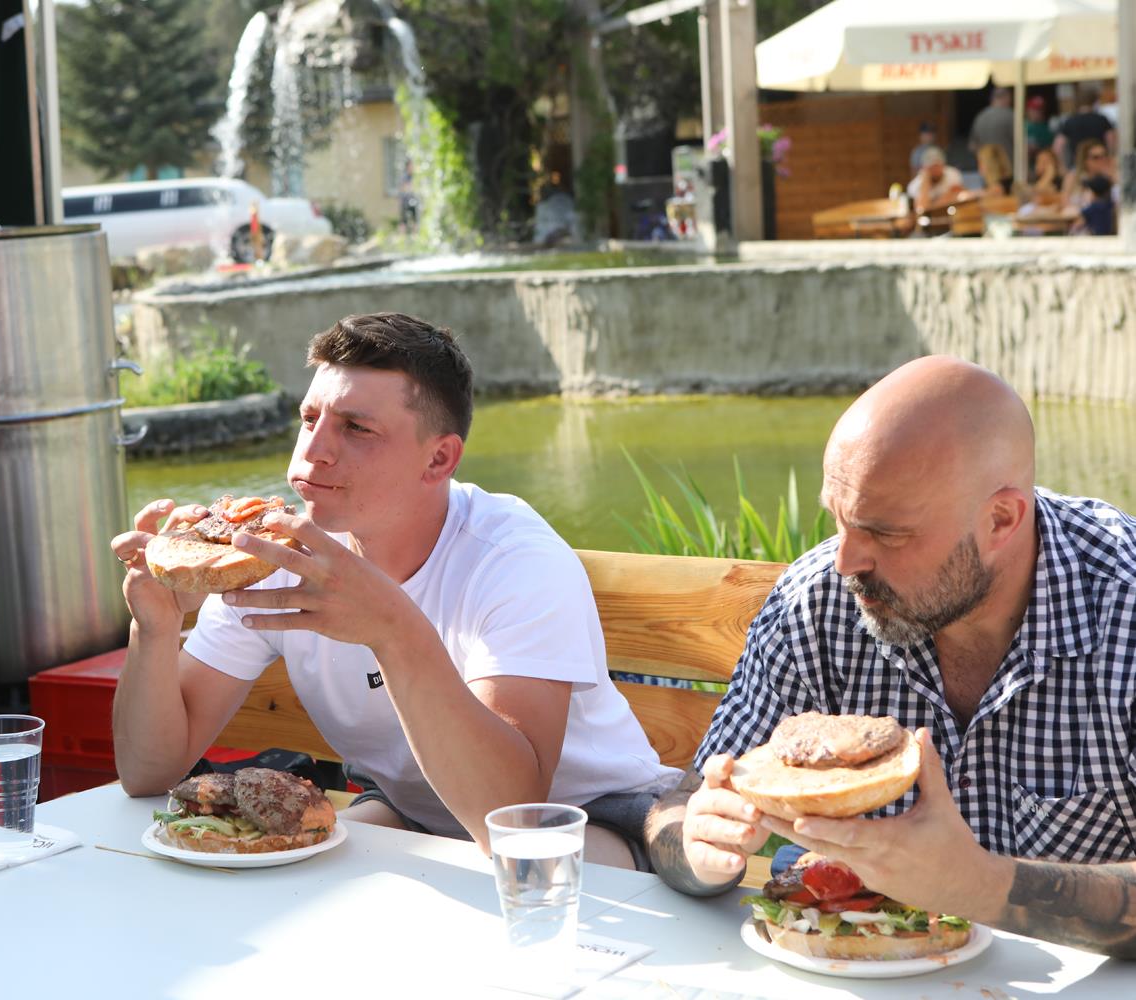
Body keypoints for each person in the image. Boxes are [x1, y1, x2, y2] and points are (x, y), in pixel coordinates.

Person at [109, 312, 678, 868]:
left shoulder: (515, 560)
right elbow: (147, 773)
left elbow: (510, 817)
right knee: (305, 875)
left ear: (439, 458)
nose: (314, 450)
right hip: (414, 811)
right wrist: (155, 628)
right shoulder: (271, 555)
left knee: (532, 870)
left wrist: (393, 629)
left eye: (356, 428)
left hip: (589, 820)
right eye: (309, 419)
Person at [643, 356, 1136, 959]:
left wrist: (980, 885)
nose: (845, 560)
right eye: (839, 519)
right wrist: (697, 849)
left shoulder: (1124, 605)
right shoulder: (818, 602)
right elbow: (679, 806)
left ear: (1001, 519)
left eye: (887, 533)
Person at [1054, 83, 1116, 171]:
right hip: (1099, 162)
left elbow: (1058, 146)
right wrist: (1110, 157)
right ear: (1094, 101)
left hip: (1078, 165)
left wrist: (1062, 166)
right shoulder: (1102, 119)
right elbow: (1111, 141)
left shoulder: (1070, 121)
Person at [906, 146, 964, 215]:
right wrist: (925, 183)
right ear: (924, 168)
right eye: (931, 167)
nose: (935, 170)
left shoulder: (952, 174)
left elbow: (959, 194)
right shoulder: (915, 185)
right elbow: (921, 210)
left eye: (938, 166)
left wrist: (931, 205)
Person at [1062, 138, 1114, 208]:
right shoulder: (1073, 177)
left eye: (1105, 155)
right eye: (1096, 157)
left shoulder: (1110, 178)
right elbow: (1064, 202)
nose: (1102, 159)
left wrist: (1112, 178)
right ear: (1085, 160)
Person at [968, 87, 1015, 159]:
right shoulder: (1011, 116)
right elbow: (1022, 144)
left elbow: (972, 146)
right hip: (1007, 163)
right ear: (1007, 97)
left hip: (986, 163)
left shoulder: (980, 116)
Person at [1024, 95, 1054, 160]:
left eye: (1040, 109)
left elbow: (1051, 148)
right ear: (1028, 110)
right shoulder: (1021, 126)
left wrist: (1037, 148)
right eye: (1034, 109)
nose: (1038, 112)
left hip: (1041, 162)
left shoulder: (1046, 129)